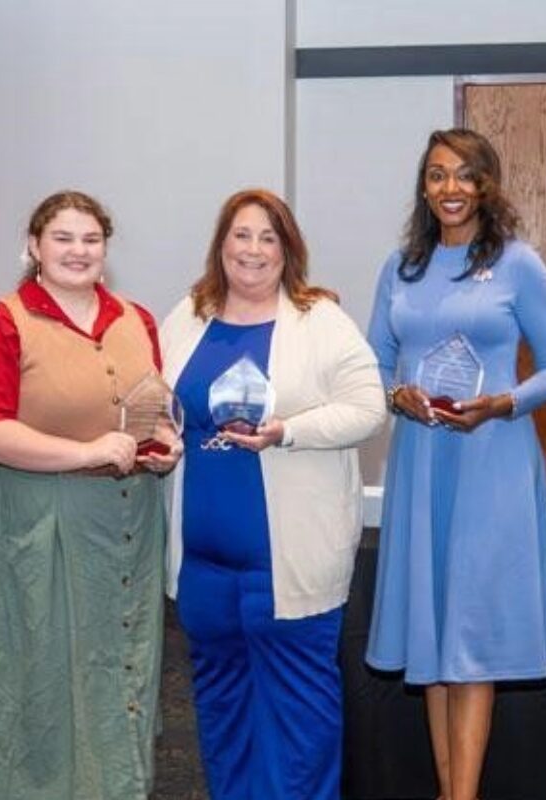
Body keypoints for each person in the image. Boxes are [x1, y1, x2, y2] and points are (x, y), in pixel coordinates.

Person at [365, 128, 546, 800]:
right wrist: (396, 394)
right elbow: (371, 364)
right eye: (436, 175)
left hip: (492, 462)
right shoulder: (400, 268)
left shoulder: (519, 264)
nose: (449, 188)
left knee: (471, 641)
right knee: (433, 644)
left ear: (487, 183)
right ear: (423, 187)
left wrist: (503, 403)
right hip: (422, 463)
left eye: (464, 175)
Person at [160, 189, 385, 799]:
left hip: (288, 566)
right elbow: (157, 399)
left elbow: (369, 408)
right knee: (222, 713)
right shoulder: (189, 314)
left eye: (268, 238)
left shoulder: (319, 320)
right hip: (203, 567)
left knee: (298, 723)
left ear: (288, 251)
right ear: (221, 244)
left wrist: (288, 431)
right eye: (241, 235)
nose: (253, 250)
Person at [0, 190, 180, 800]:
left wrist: (164, 441)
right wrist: (85, 453)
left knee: (123, 668)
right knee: (41, 672)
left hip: (128, 529)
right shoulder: (2, 321)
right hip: (40, 526)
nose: (77, 251)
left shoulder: (137, 319)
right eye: (63, 238)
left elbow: (150, 408)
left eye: (90, 239)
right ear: (34, 247)